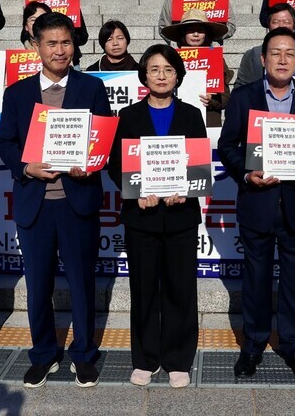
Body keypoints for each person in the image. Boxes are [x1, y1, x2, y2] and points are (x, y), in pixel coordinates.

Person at [0, 12, 112, 388]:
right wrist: (27, 168)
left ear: (74, 45)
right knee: (39, 284)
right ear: (36, 47)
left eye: (66, 42)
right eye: (51, 43)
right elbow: (6, 142)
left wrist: (90, 165)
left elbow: (102, 139)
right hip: (36, 204)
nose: (60, 50)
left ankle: (83, 355)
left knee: (81, 282)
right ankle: (44, 354)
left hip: (77, 200)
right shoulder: (18, 93)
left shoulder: (92, 88)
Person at [218, 27, 295, 382]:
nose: (283, 59)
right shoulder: (244, 96)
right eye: (276, 53)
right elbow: (228, 146)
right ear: (262, 59)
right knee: (256, 280)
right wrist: (248, 175)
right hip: (257, 202)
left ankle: (294, 347)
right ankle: (253, 346)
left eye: (290, 53)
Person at [107, 44, 208, 389]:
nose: (161, 75)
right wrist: (135, 191)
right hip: (142, 217)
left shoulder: (192, 115)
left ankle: (178, 358)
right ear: (144, 76)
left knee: (181, 289)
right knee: (144, 289)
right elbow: (117, 165)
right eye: (154, 69)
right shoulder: (129, 116)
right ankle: (146, 358)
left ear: (178, 74)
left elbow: (198, 165)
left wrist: (188, 188)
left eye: (167, 69)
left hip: (181, 217)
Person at [161, 9, 232, 127]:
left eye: (200, 30)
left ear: (206, 34)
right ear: (183, 34)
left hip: (208, 121)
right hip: (176, 119)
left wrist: (212, 101)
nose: (196, 34)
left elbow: (226, 99)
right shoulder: (171, 59)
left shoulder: (217, 60)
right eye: (190, 30)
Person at [25, 0, 90, 66]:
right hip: (37, 61)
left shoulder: (72, 7)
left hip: (70, 60)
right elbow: (25, 33)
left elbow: (83, 37)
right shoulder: (35, 9)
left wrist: (67, 36)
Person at [234, 4, 295, 88]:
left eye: (286, 22)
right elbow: (240, 88)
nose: (281, 25)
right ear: (268, 26)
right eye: (275, 22)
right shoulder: (253, 55)